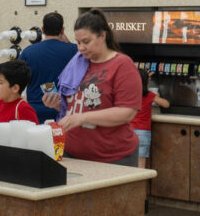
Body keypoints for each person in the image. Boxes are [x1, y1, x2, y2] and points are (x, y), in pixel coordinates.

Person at [41, 9, 141, 165]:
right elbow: (74, 106)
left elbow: (127, 112)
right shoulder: (76, 63)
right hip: (71, 153)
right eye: (78, 42)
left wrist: (83, 118)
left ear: (102, 36)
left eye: (86, 42)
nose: (80, 48)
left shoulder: (122, 65)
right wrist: (57, 105)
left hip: (112, 158)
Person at [18, 12, 77, 123]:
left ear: (43, 30)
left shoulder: (28, 52)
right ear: (63, 30)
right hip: (64, 112)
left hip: (34, 112)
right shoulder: (75, 51)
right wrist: (69, 43)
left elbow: (17, 80)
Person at [132, 69, 169, 168]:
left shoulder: (129, 94)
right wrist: (157, 96)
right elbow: (166, 104)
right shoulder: (149, 95)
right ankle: (140, 183)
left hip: (129, 131)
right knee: (141, 164)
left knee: (129, 162)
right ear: (146, 82)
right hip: (143, 133)